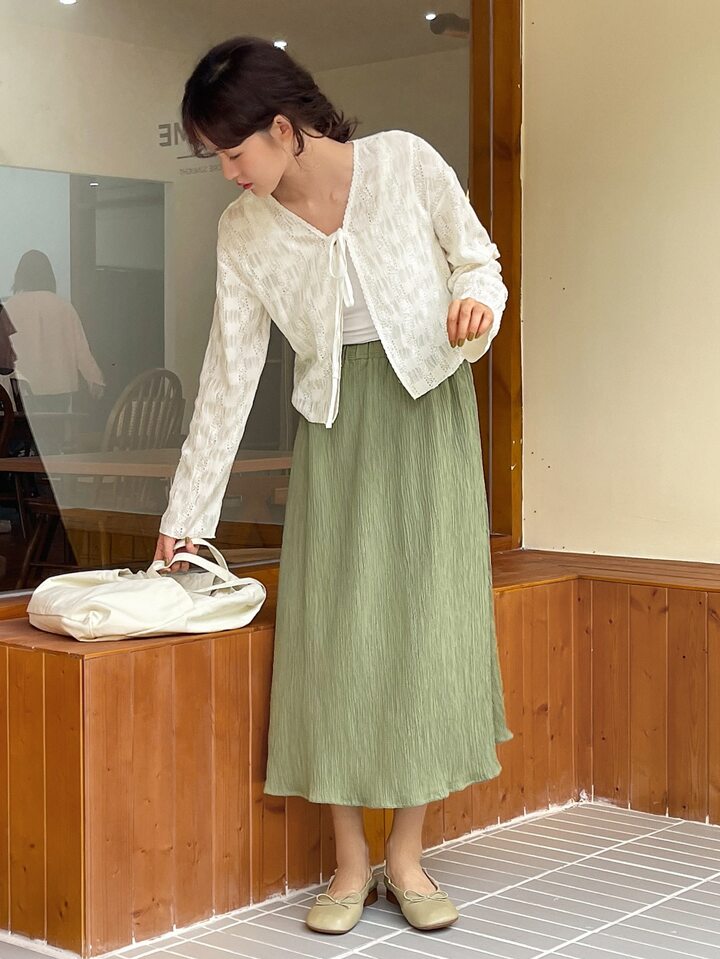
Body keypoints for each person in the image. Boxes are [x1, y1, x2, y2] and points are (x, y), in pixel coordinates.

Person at [153, 35, 513, 935]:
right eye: (215, 158)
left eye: (233, 151)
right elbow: (229, 376)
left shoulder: (406, 164)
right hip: (334, 431)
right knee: (333, 638)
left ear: (283, 128)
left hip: (429, 415)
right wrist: (186, 517)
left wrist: (476, 307)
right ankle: (351, 862)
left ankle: (408, 856)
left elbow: (479, 261)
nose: (228, 173)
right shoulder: (244, 232)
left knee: (426, 631)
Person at [1, 250, 105, 413]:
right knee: (57, 427)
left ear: (20, 275)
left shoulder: (10, 308)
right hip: (59, 388)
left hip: (21, 389)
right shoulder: (64, 307)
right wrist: (95, 380)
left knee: (20, 428)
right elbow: (81, 351)